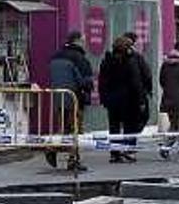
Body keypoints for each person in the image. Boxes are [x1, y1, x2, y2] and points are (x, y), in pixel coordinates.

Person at [46, 31, 92, 171]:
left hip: (59, 97)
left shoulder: (56, 56)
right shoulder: (79, 58)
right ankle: (72, 159)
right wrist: (89, 88)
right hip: (75, 98)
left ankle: (52, 148)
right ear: (77, 40)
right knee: (75, 130)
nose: (84, 42)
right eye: (83, 39)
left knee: (64, 129)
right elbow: (84, 80)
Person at [99, 36, 147, 163]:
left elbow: (102, 82)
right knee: (130, 126)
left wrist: (104, 97)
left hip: (112, 100)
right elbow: (136, 82)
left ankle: (115, 153)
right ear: (126, 48)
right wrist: (141, 100)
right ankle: (128, 151)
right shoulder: (130, 62)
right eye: (130, 46)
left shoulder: (107, 61)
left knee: (114, 127)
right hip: (129, 99)